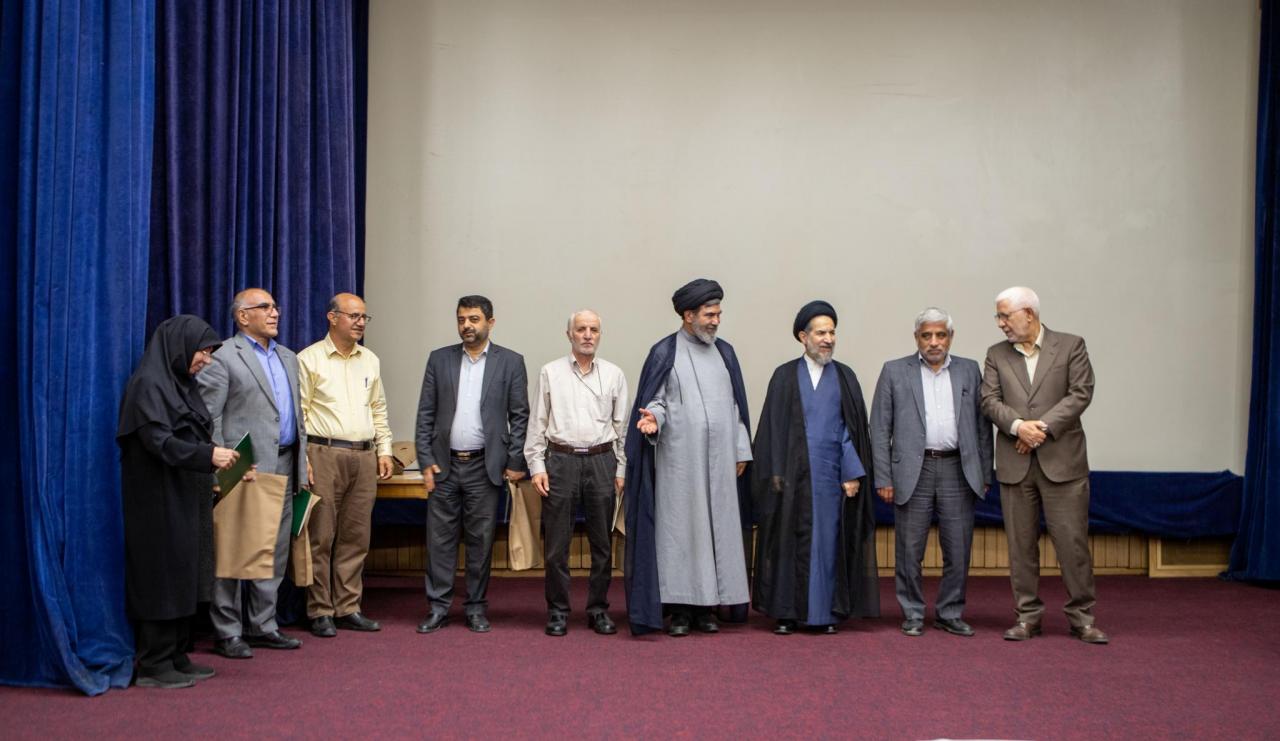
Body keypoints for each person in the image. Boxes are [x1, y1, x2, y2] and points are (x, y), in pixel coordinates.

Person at [118, 315, 241, 689]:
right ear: (179, 347)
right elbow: (159, 443)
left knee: (186, 572)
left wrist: (224, 462)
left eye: (210, 353)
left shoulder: (182, 386)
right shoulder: (147, 386)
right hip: (156, 499)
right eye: (203, 351)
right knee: (162, 575)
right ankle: (154, 663)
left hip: (186, 492)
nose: (206, 360)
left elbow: (194, 436)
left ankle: (175, 653)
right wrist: (209, 456)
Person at [625, 278, 753, 637]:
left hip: (721, 465)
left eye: (718, 314)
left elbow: (736, 406)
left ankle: (708, 608)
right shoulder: (665, 353)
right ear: (688, 315)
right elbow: (657, 400)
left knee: (716, 533)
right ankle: (680, 609)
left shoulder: (725, 353)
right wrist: (652, 418)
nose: (716, 321)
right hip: (680, 464)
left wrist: (741, 449)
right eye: (709, 315)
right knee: (681, 534)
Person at [980, 286, 1107, 644]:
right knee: (1020, 548)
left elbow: (1080, 393)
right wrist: (1019, 426)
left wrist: (1041, 429)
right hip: (1015, 465)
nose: (1000, 323)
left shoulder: (1070, 346)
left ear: (1029, 314)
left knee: (1072, 544)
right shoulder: (995, 354)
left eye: (1005, 316)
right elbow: (988, 400)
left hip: (1063, 465)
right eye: (998, 316)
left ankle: (1082, 618)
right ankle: (1027, 617)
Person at [752, 301, 879, 635]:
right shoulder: (784, 376)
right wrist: (775, 473)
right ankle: (786, 613)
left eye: (832, 332)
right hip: (791, 479)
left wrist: (851, 472)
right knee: (787, 544)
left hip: (829, 479)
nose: (828, 339)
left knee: (827, 544)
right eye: (821, 333)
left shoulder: (845, 377)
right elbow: (772, 429)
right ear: (802, 336)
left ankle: (826, 613)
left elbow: (852, 430)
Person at [196, 289, 308, 658]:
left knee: (273, 549)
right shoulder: (223, 357)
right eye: (265, 307)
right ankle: (228, 631)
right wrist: (221, 467)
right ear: (243, 316)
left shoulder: (288, 357)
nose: (275, 313)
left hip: (286, 463)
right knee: (232, 550)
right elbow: (209, 417)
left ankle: (263, 625)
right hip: (242, 469)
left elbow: (294, 416)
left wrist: (303, 460)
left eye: (276, 307)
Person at [871, 307, 992, 638]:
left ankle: (950, 612)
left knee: (958, 548)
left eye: (941, 335)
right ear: (916, 338)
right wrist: (883, 477)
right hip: (914, 470)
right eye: (927, 336)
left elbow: (983, 427)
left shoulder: (969, 370)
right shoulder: (895, 371)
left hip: (958, 469)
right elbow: (879, 428)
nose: (934, 342)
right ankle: (912, 612)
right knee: (909, 550)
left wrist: (984, 472)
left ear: (951, 337)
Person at [414, 295, 529, 634]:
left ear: (490, 322)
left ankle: (476, 608)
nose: (467, 325)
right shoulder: (439, 359)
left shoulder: (511, 362)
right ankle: (438, 607)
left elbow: (520, 416)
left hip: (485, 467)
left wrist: (514, 460)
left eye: (474, 319)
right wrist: (425, 459)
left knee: (480, 543)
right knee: (439, 542)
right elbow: (425, 413)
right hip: (444, 466)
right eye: (462, 319)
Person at [524, 310, 628, 637]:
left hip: (601, 461)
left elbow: (622, 428)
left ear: (600, 335)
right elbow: (537, 423)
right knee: (557, 546)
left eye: (593, 329)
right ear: (569, 334)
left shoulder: (614, 374)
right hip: (561, 461)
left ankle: (598, 610)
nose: (587, 335)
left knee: (602, 544)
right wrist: (537, 466)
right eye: (581, 329)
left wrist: (621, 468)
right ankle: (557, 611)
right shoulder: (550, 372)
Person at [297, 293, 394, 638]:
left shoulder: (370, 360)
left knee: (356, 536)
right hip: (323, 454)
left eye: (364, 317)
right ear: (332, 317)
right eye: (353, 316)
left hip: (364, 456)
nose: (360, 322)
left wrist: (384, 450)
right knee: (321, 536)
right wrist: (302, 460)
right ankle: (320, 610)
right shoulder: (309, 359)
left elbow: (378, 408)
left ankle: (348, 607)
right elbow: (299, 415)